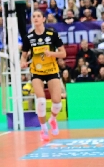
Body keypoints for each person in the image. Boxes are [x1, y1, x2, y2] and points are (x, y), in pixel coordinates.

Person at [20, 11, 66, 142]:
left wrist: (52, 54)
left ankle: (52, 119)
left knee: (57, 102)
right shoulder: (28, 37)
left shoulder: (52, 34)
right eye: (33, 16)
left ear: (44, 19)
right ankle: (43, 128)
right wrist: (22, 62)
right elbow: (24, 55)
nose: (35, 18)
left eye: (38, 16)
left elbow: (63, 54)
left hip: (52, 70)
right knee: (41, 101)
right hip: (37, 72)